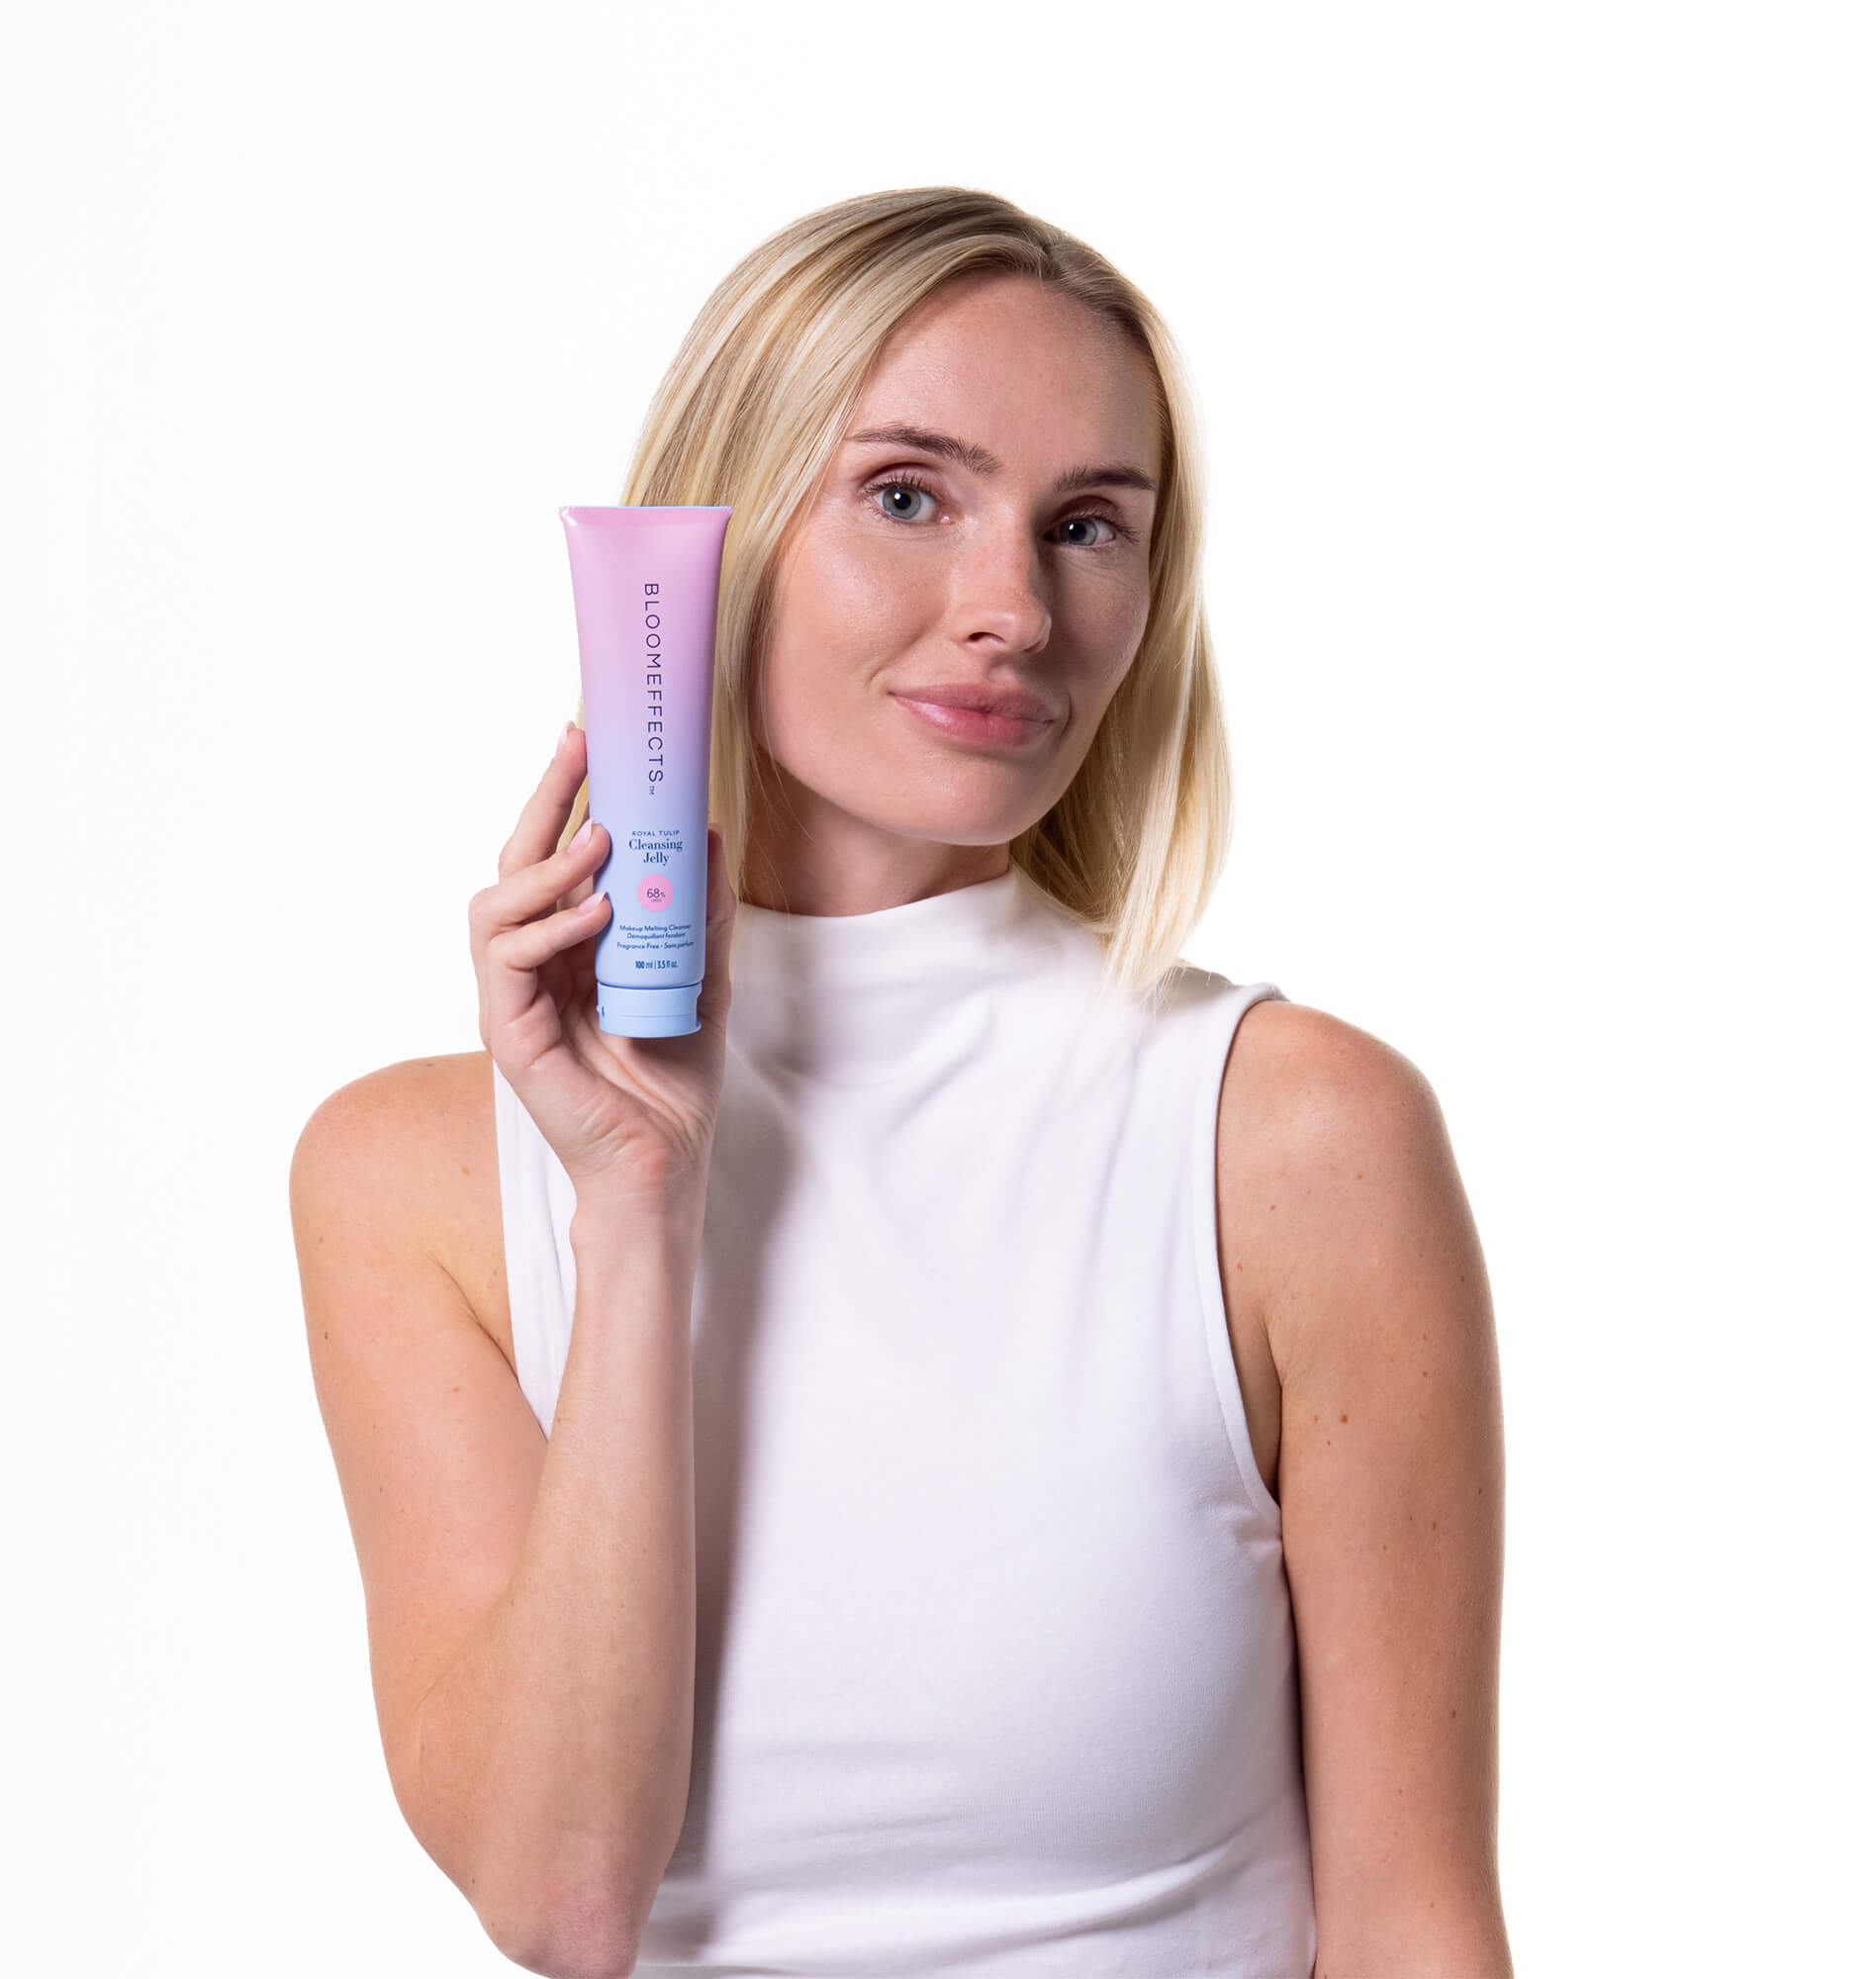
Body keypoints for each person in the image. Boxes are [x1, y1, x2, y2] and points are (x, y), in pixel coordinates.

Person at [290, 186, 1514, 1979]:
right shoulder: (407, 1180)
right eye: (909, 496)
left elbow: (1418, 1930)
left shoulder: (1287, 1135)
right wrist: (638, 1208)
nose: (1012, 607)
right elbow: (560, 1899)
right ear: (723, 528)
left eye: (1089, 526)